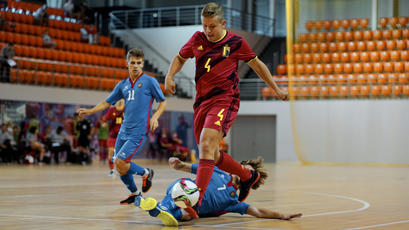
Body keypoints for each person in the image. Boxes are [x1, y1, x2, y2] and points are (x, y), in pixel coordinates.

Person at [164, 2, 289, 206]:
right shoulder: (197, 39)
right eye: (204, 25)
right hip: (201, 102)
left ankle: (197, 201)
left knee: (205, 144)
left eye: (212, 26)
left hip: (225, 99)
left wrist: (275, 88)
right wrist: (170, 76)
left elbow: (258, 65)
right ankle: (248, 176)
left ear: (223, 23)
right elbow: (180, 58)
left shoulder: (236, 43)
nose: (207, 30)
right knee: (210, 154)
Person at [77, 48, 167, 204]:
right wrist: (90, 110)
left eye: (139, 63)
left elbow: (163, 102)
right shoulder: (122, 85)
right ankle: (135, 194)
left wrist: (155, 117)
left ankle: (146, 173)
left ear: (143, 64)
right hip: (123, 131)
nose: (136, 66)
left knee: (119, 161)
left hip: (138, 131)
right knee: (119, 166)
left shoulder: (149, 81)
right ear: (127, 64)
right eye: (133, 63)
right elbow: (106, 102)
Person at [135, 157, 302, 226]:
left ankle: (159, 210)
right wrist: (176, 162)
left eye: (249, 174)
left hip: (190, 209)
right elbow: (184, 166)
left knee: (187, 214)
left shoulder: (234, 202)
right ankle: (164, 210)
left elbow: (257, 212)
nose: (245, 173)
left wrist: (281, 215)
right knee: (183, 192)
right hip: (183, 187)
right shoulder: (216, 170)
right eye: (245, 169)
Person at [102, 98, 124, 176]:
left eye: (122, 99)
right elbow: (105, 118)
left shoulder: (127, 110)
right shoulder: (112, 110)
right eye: (119, 98)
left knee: (121, 155)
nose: (120, 100)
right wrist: (104, 123)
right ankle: (112, 170)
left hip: (123, 136)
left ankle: (121, 170)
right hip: (113, 135)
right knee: (111, 152)